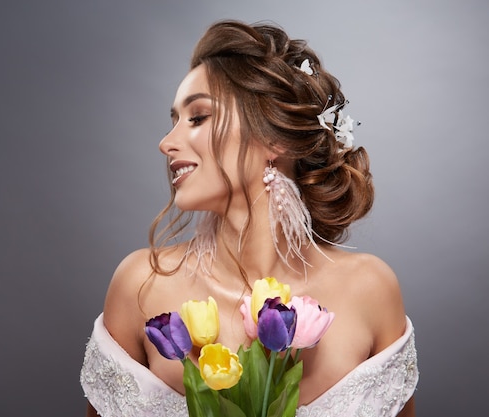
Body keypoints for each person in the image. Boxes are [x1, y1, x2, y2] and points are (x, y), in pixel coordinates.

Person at [80, 19, 418, 417]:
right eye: (173, 120)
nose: (166, 143)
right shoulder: (141, 285)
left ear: (274, 137)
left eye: (198, 117)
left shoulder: (370, 290)